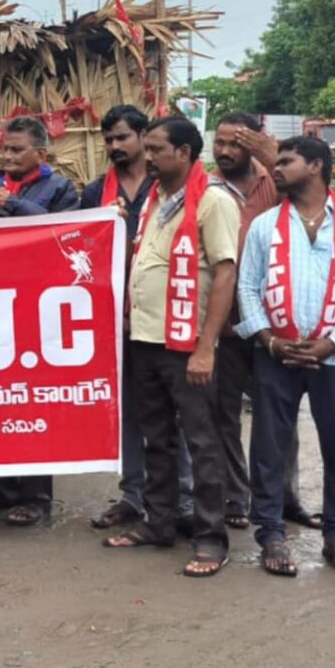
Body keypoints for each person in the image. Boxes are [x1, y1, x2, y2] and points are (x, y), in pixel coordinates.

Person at [234, 136, 335, 577]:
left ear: (315, 166)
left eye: (286, 161)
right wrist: (270, 341)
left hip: (334, 358)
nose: (274, 168)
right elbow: (248, 287)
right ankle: (271, 535)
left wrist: (333, 343)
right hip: (276, 355)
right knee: (268, 447)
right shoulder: (264, 226)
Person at [103, 116, 239, 577]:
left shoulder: (213, 201)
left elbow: (224, 273)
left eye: (157, 149)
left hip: (185, 345)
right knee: (154, 437)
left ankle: (209, 538)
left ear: (184, 153)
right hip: (145, 339)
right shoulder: (155, 201)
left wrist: (207, 348)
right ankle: (158, 523)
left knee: (201, 442)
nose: (149, 156)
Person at [83, 105, 195, 533]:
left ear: (144, 137)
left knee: (175, 414)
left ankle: (182, 498)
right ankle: (133, 495)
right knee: (128, 411)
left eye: (123, 138)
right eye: (108, 140)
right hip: (117, 320)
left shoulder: (165, 186)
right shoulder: (96, 192)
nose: (115, 146)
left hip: (165, 317)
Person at [0, 116, 80, 526]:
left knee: (32, 403)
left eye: (16, 149)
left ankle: (35, 497)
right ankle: (0, 488)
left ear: (40, 155)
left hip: (38, 310)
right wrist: (1, 214)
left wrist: (10, 207)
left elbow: (63, 232)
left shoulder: (60, 188)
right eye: (4, 149)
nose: (7, 156)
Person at [209, 112, 321, 531]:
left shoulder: (277, 181)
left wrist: (270, 155)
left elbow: (316, 198)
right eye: (219, 142)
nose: (224, 150)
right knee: (223, 416)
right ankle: (235, 498)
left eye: (235, 143)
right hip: (224, 322)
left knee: (280, 416)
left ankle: (285, 498)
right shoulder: (204, 186)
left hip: (274, 325)